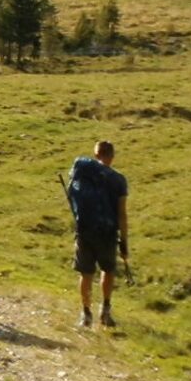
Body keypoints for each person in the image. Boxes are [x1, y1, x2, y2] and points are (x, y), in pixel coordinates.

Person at [67, 139, 128, 328]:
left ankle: (86, 314)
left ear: (96, 154)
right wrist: (124, 241)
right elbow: (122, 213)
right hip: (107, 233)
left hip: (85, 230)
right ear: (112, 156)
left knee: (86, 273)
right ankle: (105, 310)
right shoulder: (118, 180)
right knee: (107, 270)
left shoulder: (84, 170)